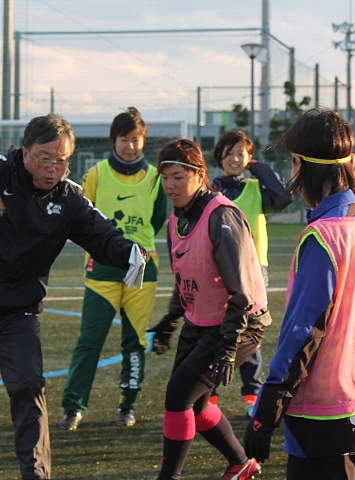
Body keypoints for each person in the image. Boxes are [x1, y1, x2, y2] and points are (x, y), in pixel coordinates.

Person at [0, 113, 148, 480]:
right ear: (25, 151)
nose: (54, 168)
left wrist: (129, 251)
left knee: (29, 388)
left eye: (62, 160)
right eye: (45, 158)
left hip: (16, 313)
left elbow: (101, 234)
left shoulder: (69, 197)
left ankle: (36, 476)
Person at [243, 109, 355, 480]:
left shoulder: (324, 236)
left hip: (329, 416)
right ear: (352, 164)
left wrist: (266, 412)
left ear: (299, 165)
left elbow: (303, 334)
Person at [148, 138, 271, 480]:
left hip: (240, 323)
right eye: (165, 178)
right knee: (197, 405)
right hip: (203, 320)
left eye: (179, 177)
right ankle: (241, 464)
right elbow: (186, 277)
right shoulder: (177, 218)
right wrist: (170, 321)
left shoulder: (222, 217)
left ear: (200, 175)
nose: (170, 185)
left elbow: (241, 294)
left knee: (177, 398)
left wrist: (229, 348)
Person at [59, 107, 166, 430]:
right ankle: (73, 408)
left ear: (143, 141)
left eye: (136, 140)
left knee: (135, 342)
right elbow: (81, 216)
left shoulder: (155, 178)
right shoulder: (96, 174)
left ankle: (127, 406)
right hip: (102, 270)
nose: (130, 146)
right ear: (114, 140)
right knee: (89, 341)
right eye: (124, 139)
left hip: (143, 271)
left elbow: (157, 219)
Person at [209, 129, 291, 417]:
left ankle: (251, 394)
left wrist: (260, 168)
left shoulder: (257, 189)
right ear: (219, 157)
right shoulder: (211, 190)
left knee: (249, 332)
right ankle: (210, 395)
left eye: (241, 153)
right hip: (217, 270)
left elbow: (283, 198)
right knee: (215, 331)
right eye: (229, 153)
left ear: (249, 158)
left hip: (255, 271)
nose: (235, 158)